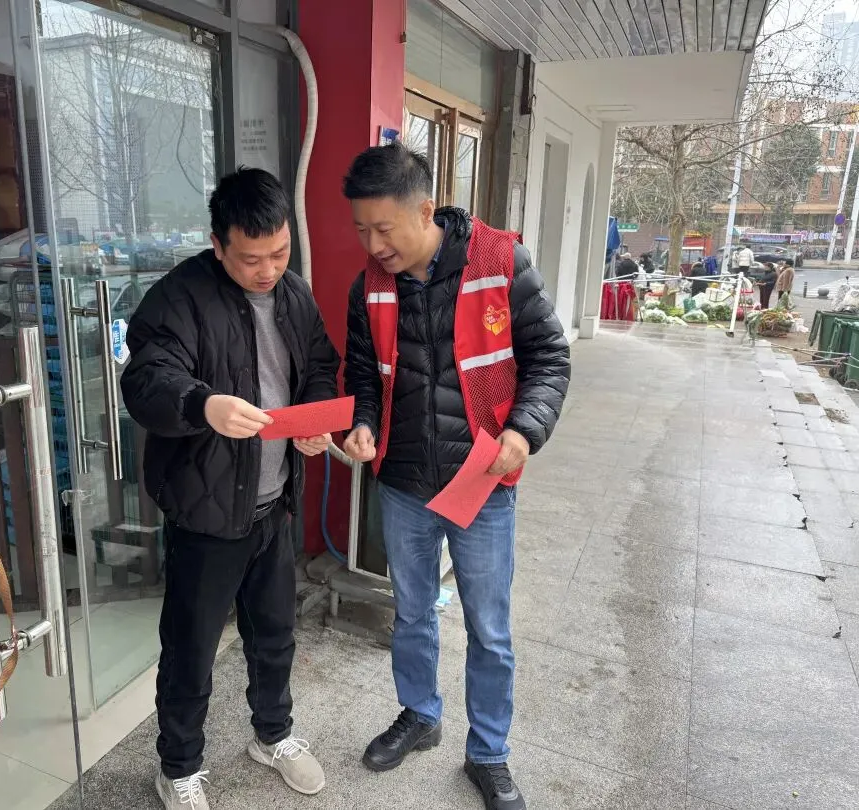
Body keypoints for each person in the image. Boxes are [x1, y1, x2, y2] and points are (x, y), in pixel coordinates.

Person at [340, 144, 570, 810]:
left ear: (424, 211)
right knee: (411, 614)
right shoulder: (368, 286)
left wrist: (524, 430)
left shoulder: (500, 261)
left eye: (384, 228)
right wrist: (362, 423)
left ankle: (489, 752)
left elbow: (549, 358)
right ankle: (420, 714)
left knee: (489, 630)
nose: (373, 245)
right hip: (404, 483)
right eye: (362, 229)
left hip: (482, 484)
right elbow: (364, 374)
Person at [121, 168, 340, 810]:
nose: (268, 269)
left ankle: (274, 735)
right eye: (251, 259)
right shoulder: (179, 298)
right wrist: (202, 404)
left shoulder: (294, 294)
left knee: (274, 634)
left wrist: (315, 420)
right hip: (206, 510)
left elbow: (318, 367)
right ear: (218, 245)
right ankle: (178, 768)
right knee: (191, 649)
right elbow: (147, 381)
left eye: (280, 252)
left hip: (274, 503)